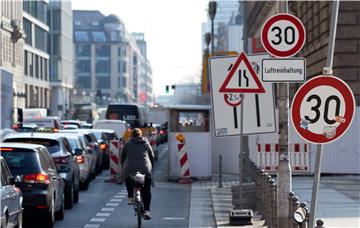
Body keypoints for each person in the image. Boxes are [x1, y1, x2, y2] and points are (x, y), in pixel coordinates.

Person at [121, 128, 154, 220]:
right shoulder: (146, 143)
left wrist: (122, 164)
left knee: (127, 177)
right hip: (145, 168)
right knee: (146, 190)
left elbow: (123, 156)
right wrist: (151, 167)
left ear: (131, 135)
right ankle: (147, 211)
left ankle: (131, 197)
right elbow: (152, 156)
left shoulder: (127, 144)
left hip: (131, 168)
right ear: (141, 135)